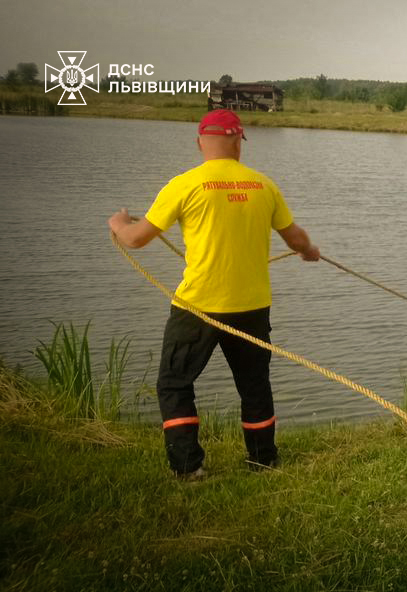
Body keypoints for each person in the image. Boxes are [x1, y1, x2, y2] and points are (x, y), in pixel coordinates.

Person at [107, 109, 320, 480]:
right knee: (254, 385)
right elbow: (296, 237)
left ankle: (189, 468)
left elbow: (136, 239)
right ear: (238, 142)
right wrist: (308, 251)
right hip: (252, 305)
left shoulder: (184, 185)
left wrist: (118, 223)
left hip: (199, 306)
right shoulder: (263, 185)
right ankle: (263, 461)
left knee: (174, 382)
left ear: (200, 143)